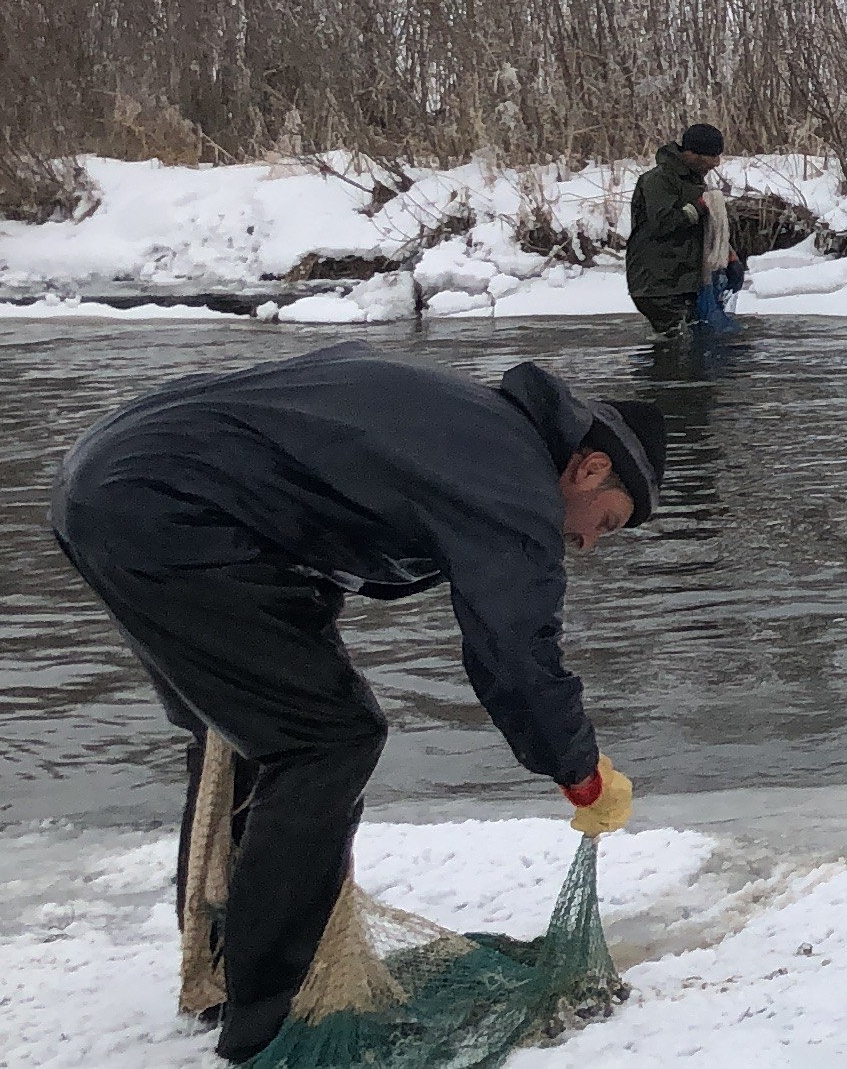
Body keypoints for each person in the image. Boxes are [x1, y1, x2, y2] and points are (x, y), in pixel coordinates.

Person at [49, 343, 664, 1062]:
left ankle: (225, 964)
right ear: (589, 468)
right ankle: (275, 1011)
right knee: (324, 740)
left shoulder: (471, 425)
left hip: (110, 485)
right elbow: (515, 654)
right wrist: (577, 767)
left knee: (248, 731)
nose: (586, 542)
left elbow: (310, 496)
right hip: (170, 512)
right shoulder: (513, 478)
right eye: (607, 521)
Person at [627, 123, 742, 334]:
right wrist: (699, 207)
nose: (717, 163)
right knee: (680, 349)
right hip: (658, 286)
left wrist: (729, 256)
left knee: (693, 345)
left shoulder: (693, 180)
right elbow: (662, 223)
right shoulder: (658, 180)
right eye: (712, 156)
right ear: (691, 154)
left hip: (685, 282)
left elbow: (704, 228)